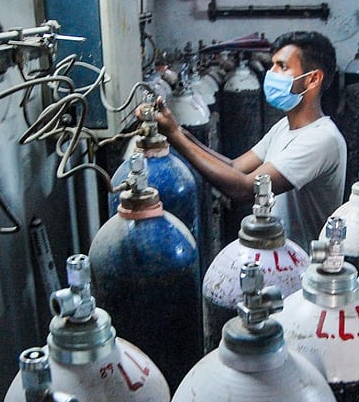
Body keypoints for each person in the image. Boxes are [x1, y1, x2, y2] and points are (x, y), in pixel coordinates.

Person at [139, 31, 346, 247]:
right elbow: (235, 166)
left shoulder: (322, 139)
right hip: (275, 253)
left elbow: (245, 188)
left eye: (282, 66)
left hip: (301, 261)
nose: (271, 73)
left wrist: (174, 135)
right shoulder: (284, 127)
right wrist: (179, 132)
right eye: (273, 65)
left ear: (313, 79)